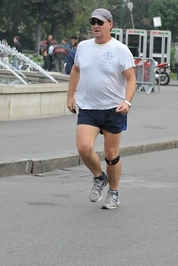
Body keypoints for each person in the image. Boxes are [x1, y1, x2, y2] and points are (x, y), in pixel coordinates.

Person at [66, 8, 136, 210]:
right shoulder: (84, 47)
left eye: (100, 22)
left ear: (110, 25)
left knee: (111, 154)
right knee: (84, 148)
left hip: (114, 109)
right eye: (93, 22)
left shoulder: (120, 49)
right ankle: (99, 177)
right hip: (88, 107)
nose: (95, 26)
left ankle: (113, 193)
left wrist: (127, 102)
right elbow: (76, 69)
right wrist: (71, 95)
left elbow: (131, 79)